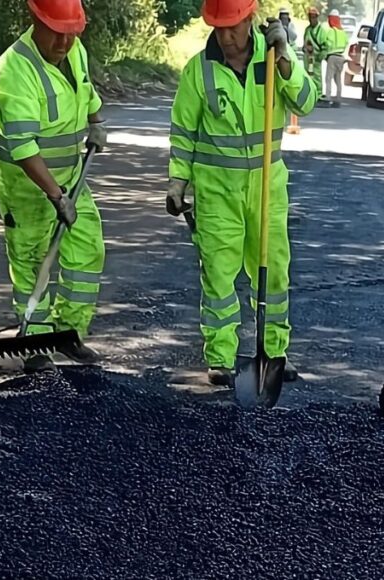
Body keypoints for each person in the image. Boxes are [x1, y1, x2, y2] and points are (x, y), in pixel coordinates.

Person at [167, 0, 317, 386]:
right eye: (218, 27)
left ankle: (273, 354)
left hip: (267, 188)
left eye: (232, 26)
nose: (226, 36)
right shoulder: (198, 72)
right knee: (218, 276)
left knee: (273, 274)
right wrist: (176, 181)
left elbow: (306, 102)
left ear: (249, 19)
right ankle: (220, 358)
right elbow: (184, 133)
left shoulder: (272, 61)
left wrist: (285, 59)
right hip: (217, 192)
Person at [0, 0, 108, 373]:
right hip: (27, 187)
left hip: (72, 176)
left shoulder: (75, 50)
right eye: (56, 32)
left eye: (71, 33)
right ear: (35, 21)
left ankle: (68, 335)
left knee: (87, 252)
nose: (64, 42)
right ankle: (37, 343)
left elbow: (85, 90)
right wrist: (55, 196)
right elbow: (24, 149)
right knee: (32, 261)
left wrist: (96, 120)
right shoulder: (13, 72)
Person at [323, 10, 349, 108]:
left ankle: (328, 98)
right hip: (341, 58)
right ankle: (338, 99)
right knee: (338, 79)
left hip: (332, 57)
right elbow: (346, 42)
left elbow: (326, 44)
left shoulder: (330, 31)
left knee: (328, 78)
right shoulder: (342, 32)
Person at [303, 7, 327, 103]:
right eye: (310, 17)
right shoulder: (307, 30)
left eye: (313, 17)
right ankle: (310, 95)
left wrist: (320, 56)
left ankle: (318, 95)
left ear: (317, 17)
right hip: (308, 58)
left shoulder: (320, 31)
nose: (311, 19)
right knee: (308, 76)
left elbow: (325, 46)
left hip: (316, 58)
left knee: (316, 76)